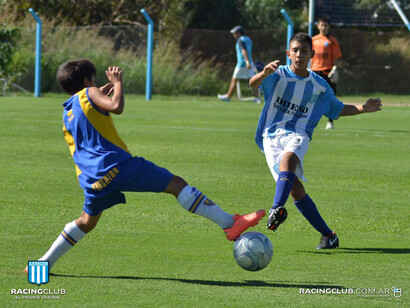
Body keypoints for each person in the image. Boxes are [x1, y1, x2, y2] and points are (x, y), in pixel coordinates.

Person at [24, 59, 265, 273]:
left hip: (92, 179)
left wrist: (100, 94)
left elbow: (91, 121)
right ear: (87, 81)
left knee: (87, 221)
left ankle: (43, 263)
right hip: (117, 166)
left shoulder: (68, 111)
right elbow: (116, 107)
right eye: (94, 80)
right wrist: (117, 83)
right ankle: (230, 224)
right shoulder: (89, 92)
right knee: (176, 184)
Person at [249, 33, 382, 249]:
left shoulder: (319, 86)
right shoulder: (278, 74)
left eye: (303, 51)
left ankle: (276, 207)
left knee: (289, 158)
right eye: (295, 50)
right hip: (271, 136)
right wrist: (263, 73)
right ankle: (328, 235)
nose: (299, 55)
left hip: (299, 133)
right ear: (288, 53)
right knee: (294, 188)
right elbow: (252, 84)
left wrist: (363, 108)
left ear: (312, 54)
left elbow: (337, 109)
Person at [310, 16, 342, 130]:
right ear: (318, 26)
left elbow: (336, 57)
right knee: (313, 97)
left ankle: (330, 121)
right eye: (321, 25)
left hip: (328, 72)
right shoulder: (313, 40)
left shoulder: (332, 40)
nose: (323, 27)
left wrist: (335, 69)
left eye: (326, 25)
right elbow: (310, 57)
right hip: (315, 71)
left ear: (329, 27)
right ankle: (309, 119)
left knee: (331, 96)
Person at [218, 25, 261, 103]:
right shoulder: (248, 39)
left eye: (235, 33)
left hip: (242, 63)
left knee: (234, 79)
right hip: (250, 62)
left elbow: (243, 50)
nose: (234, 35)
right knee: (253, 81)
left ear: (239, 33)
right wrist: (249, 61)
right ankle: (257, 98)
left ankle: (228, 97)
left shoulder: (240, 40)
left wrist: (246, 61)